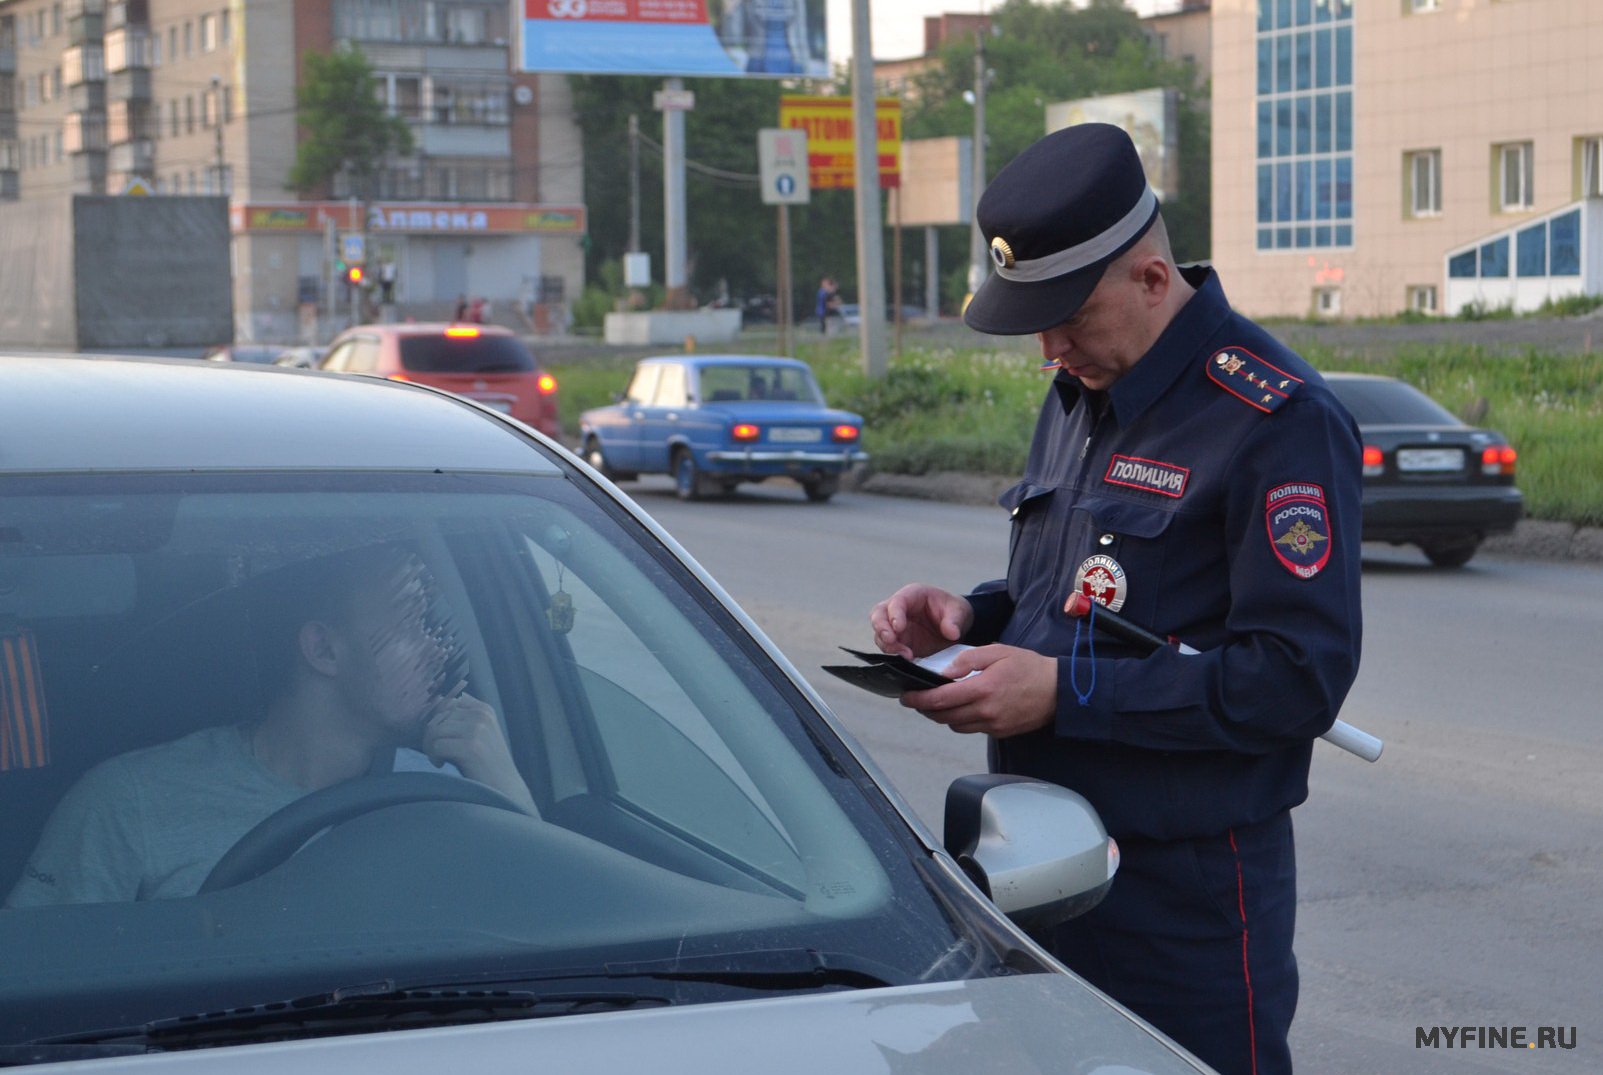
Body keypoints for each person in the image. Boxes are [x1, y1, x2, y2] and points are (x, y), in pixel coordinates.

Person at [867, 124, 1362, 1075]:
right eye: (1035, 321)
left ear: (1147, 276)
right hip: (1030, 863)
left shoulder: (1275, 421)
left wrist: (1064, 692)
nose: (1050, 347)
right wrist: (975, 618)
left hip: (1179, 901)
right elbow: (1074, 599)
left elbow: (1296, 680)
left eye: (1070, 317)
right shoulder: (1079, 391)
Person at [6, 546, 536, 907]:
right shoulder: (129, 802)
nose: (437, 650)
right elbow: (32, 980)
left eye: (437, 628)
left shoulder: (456, 795)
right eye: (412, 627)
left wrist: (507, 789)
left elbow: (549, 922)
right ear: (324, 649)